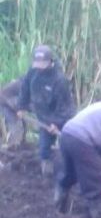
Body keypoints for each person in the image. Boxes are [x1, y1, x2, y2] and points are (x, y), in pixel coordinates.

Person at [17, 45, 75, 175]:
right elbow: (24, 89)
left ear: (50, 62)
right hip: (44, 118)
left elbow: (64, 107)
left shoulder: (59, 80)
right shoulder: (32, 72)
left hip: (62, 118)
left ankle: (72, 171)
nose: (40, 67)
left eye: (42, 63)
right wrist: (21, 106)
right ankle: (47, 175)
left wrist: (57, 123)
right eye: (37, 63)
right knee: (44, 150)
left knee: (68, 146)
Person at [1, 79, 25, 148]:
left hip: (12, 101)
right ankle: (13, 145)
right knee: (15, 123)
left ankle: (20, 143)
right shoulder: (22, 85)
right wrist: (19, 109)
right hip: (4, 104)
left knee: (21, 124)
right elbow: (7, 99)